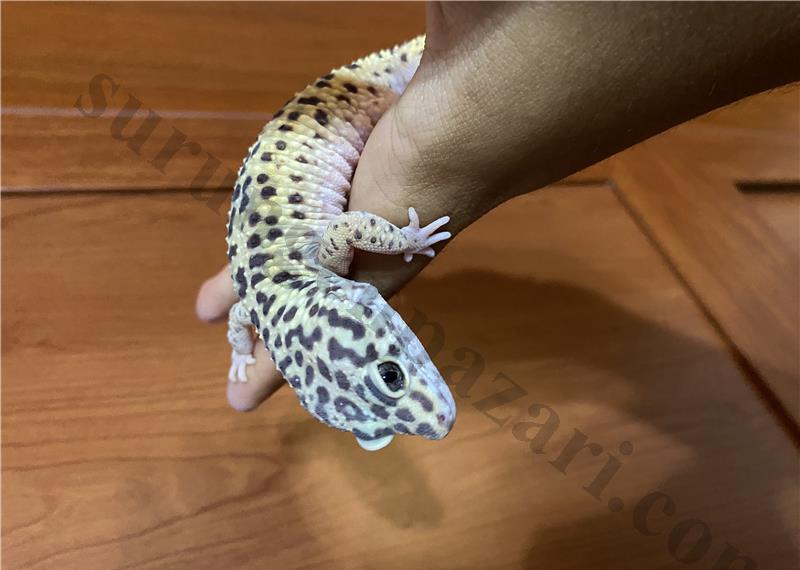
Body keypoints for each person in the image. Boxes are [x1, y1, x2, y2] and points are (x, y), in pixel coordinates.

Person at [195, 3, 800, 411]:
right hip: (317, 125)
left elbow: (349, 229)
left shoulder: (308, 275)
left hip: (341, 110)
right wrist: (242, 347)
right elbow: (242, 314)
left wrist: (402, 242)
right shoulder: (265, 299)